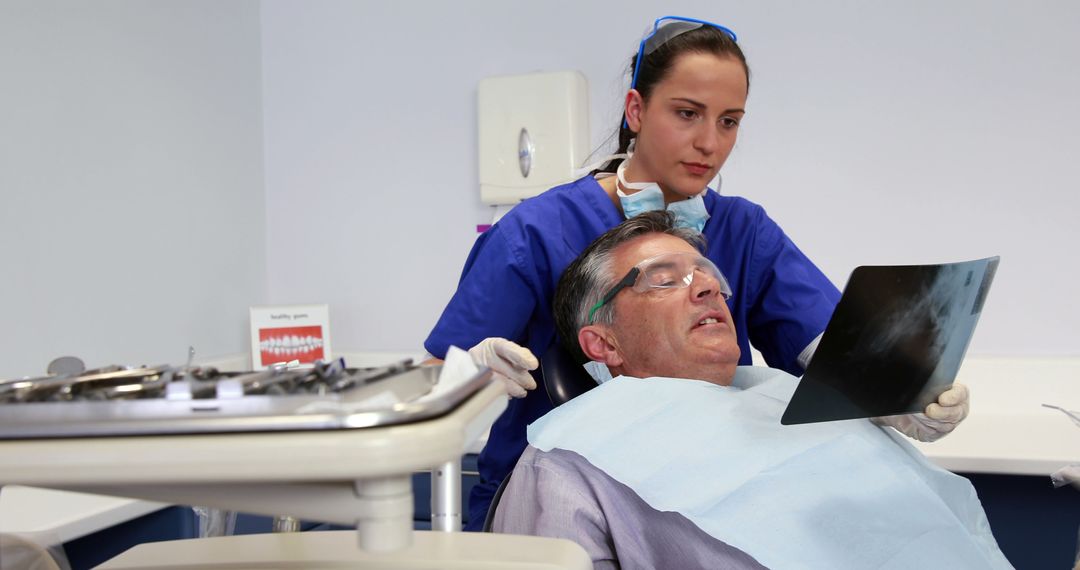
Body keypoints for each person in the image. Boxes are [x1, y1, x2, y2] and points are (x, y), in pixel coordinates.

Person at [426, 16, 969, 530]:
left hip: (703, 490)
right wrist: (468, 377)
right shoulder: (537, 231)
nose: (711, 143)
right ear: (635, 111)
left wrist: (902, 395)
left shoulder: (744, 230)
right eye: (687, 113)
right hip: (562, 501)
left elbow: (832, 352)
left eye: (729, 121)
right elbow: (431, 390)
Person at [492, 211, 1007, 569]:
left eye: (707, 275)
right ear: (603, 343)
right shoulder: (570, 463)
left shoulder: (781, 396)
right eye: (663, 279)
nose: (707, 286)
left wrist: (893, 394)